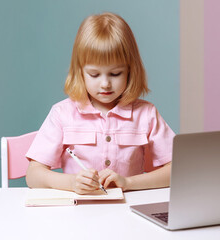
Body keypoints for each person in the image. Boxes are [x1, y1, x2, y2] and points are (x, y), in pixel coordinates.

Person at [25, 12, 175, 195]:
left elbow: (176, 171)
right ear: (80, 72)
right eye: (94, 74)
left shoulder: (146, 114)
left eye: (115, 74)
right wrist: (72, 182)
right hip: (79, 214)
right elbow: (33, 175)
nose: (105, 84)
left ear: (130, 71)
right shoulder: (62, 114)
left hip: (128, 212)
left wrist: (128, 182)